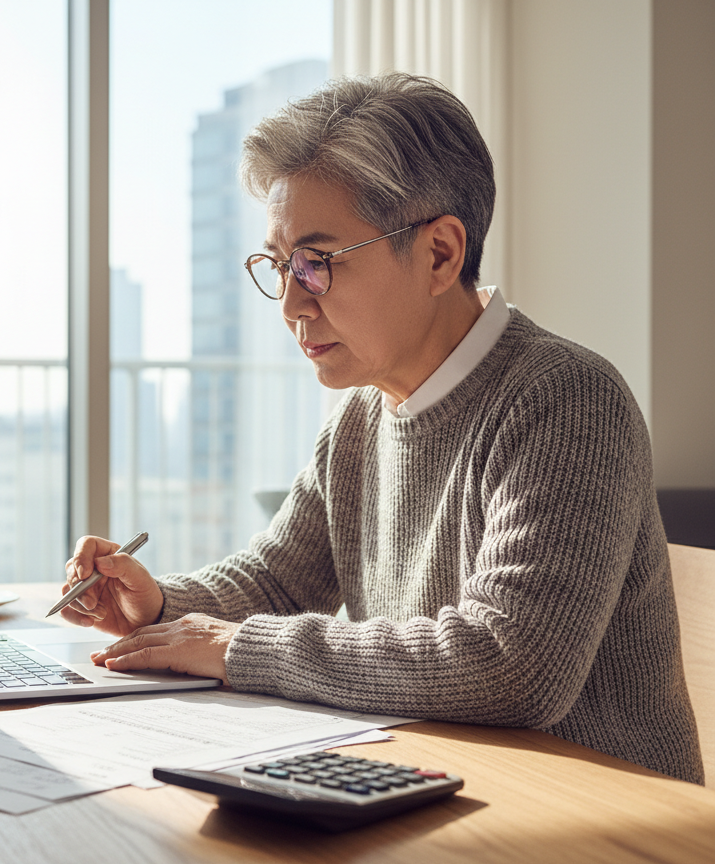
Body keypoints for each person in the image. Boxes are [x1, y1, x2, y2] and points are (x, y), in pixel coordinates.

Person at [62, 72, 703, 784]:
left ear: (439, 254)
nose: (291, 306)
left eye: (317, 263)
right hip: (434, 784)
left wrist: (244, 648)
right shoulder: (362, 415)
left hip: (596, 817)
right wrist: (163, 604)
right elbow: (279, 580)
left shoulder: (567, 400)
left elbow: (511, 664)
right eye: (279, 267)